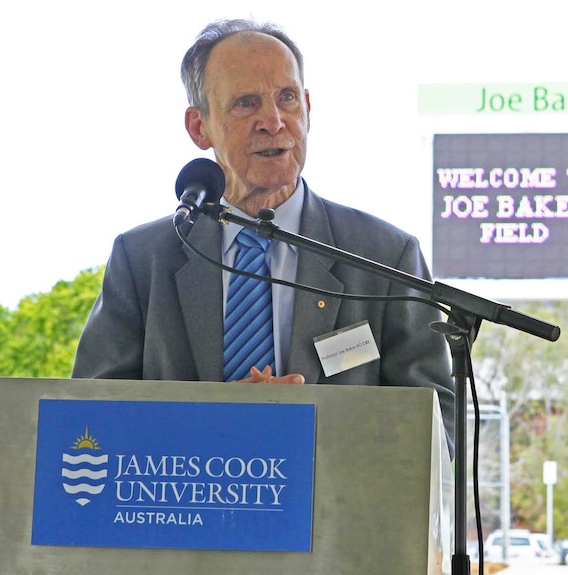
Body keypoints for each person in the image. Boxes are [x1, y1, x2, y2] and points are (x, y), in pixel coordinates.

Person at [71, 19, 455, 447]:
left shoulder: (385, 257)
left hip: (337, 510)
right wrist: (212, 424)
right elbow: (91, 415)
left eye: (287, 98)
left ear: (307, 108)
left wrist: (308, 430)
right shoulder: (142, 259)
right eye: (246, 103)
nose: (273, 121)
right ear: (200, 128)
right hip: (184, 511)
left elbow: (436, 423)